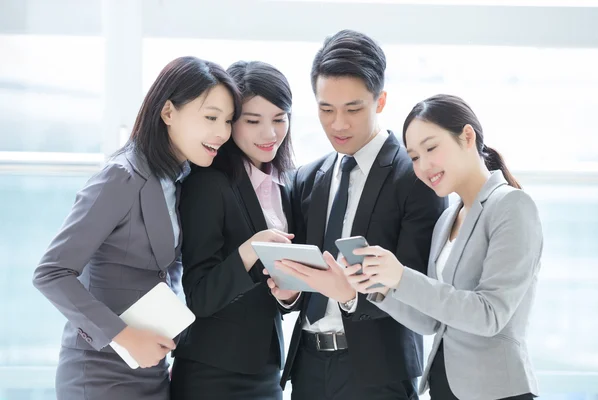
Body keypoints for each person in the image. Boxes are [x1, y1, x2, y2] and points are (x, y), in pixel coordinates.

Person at [32, 56, 240, 400]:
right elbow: (51, 273)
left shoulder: (179, 178)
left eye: (228, 120)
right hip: (100, 371)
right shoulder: (121, 176)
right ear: (168, 112)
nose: (222, 132)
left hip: (151, 371)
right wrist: (125, 336)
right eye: (210, 117)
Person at [270, 30, 447, 400]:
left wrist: (350, 296)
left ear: (380, 101)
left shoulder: (415, 178)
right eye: (325, 109)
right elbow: (309, 277)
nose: (338, 124)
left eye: (353, 109)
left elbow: (419, 287)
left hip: (378, 375)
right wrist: (288, 292)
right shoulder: (307, 178)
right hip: (309, 368)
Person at [342, 94, 543, 400]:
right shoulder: (447, 218)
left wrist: (401, 276)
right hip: (444, 388)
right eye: (414, 157)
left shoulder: (511, 205)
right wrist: (379, 288)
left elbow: (490, 315)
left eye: (431, 148)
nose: (423, 166)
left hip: (497, 390)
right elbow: (430, 321)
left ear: (467, 136)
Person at [170, 60, 298, 400]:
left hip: (267, 367)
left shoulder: (283, 185)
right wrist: (248, 251)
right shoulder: (208, 184)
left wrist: (290, 295)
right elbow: (198, 296)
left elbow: (278, 288)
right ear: (229, 123)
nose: (269, 134)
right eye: (253, 121)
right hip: (213, 374)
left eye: (279, 119)